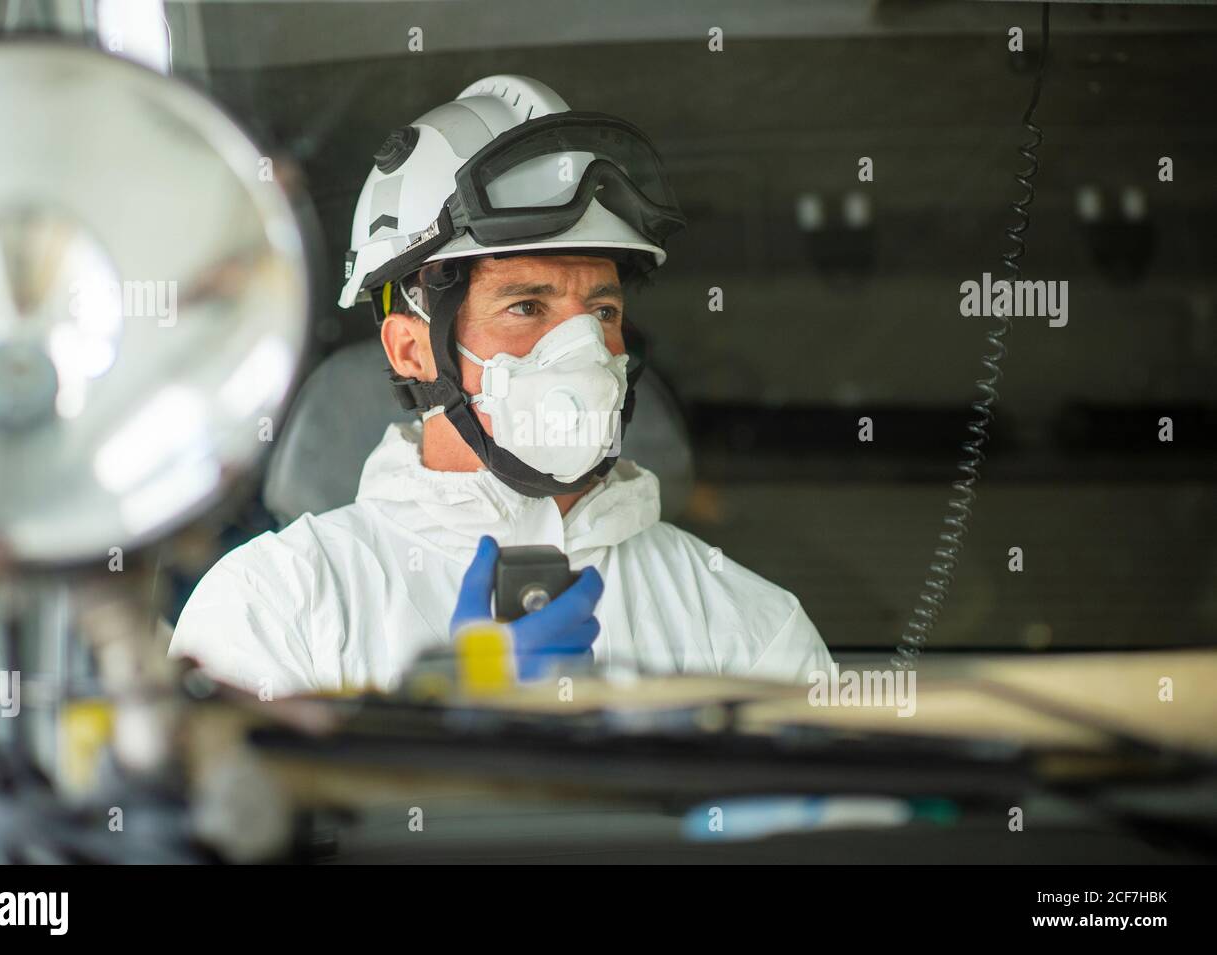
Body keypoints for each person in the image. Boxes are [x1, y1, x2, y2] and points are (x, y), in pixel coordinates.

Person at [170, 74, 831, 694]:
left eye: (602, 312)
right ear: (411, 349)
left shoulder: (746, 628)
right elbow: (220, 813)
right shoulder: (275, 606)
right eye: (526, 307)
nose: (583, 351)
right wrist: (460, 723)